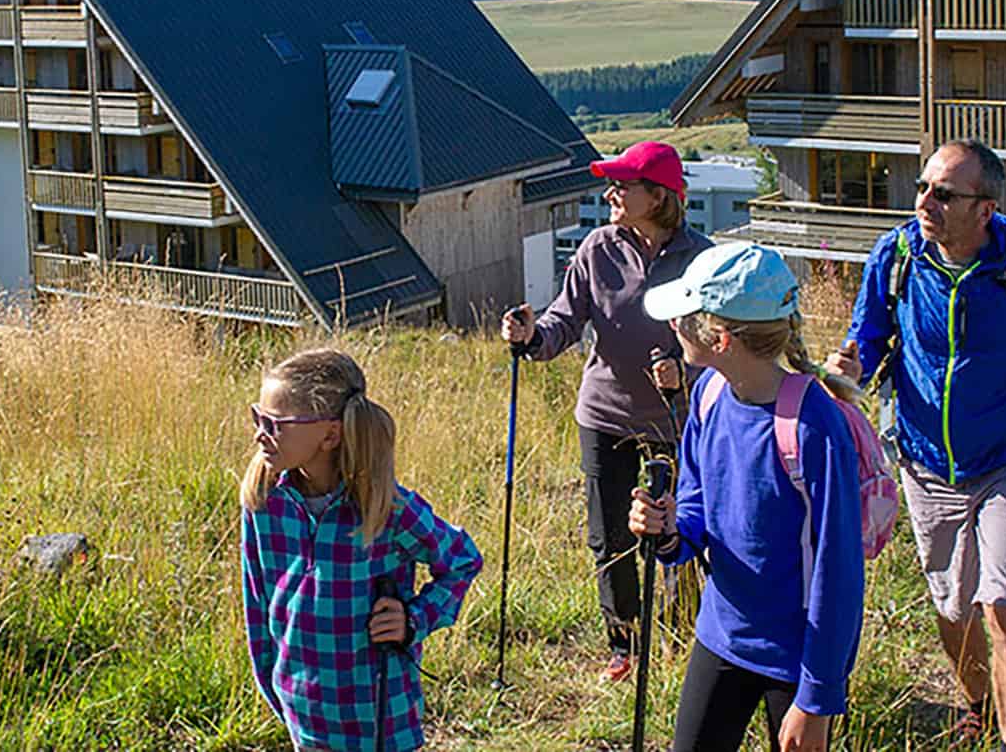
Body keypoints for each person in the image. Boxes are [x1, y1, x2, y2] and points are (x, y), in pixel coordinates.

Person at [826, 139, 1006, 751]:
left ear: (985, 209)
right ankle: (975, 703)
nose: (925, 202)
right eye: (922, 187)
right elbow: (868, 338)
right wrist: (850, 366)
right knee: (953, 608)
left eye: (943, 194)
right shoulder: (896, 256)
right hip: (925, 462)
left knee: (1002, 603)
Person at [630, 243, 865, 752]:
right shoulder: (710, 394)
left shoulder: (815, 426)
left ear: (719, 338)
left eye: (683, 318)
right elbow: (695, 504)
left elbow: (838, 571)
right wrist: (669, 530)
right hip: (722, 635)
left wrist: (817, 698)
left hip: (798, 658)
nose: (673, 326)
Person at [501, 140, 712, 681]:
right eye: (612, 183)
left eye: (623, 184)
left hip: (678, 420)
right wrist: (530, 337)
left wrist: (685, 375)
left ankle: (676, 638)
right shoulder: (598, 248)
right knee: (610, 537)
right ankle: (626, 646)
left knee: (679, 533)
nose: (611, 192)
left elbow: (722, 343)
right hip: (604, 416)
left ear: (660, 196)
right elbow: (563, 322)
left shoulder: (703, 257)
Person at [241, 348, 482, 752]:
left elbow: (462, 561)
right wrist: (277, 694)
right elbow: (257, 607)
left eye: (275, 424)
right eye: (257, 418)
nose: (259, 434)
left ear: (330, 436)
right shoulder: (264, 501)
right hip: (306, 721)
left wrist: (414, 619)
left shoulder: (385, 508)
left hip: (383, 726)